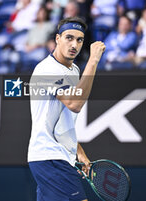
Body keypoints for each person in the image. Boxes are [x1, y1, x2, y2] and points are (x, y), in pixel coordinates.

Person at [28, 17, 106, 201]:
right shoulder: (46, 70)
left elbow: (63, 122)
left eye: (79, 40)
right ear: (57, 38)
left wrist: (79, 152)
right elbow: (75, 104)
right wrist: (93, 60)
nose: (74, 44)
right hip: (50, 156)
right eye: (69, 38)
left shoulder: (73, 71)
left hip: (58, 157)